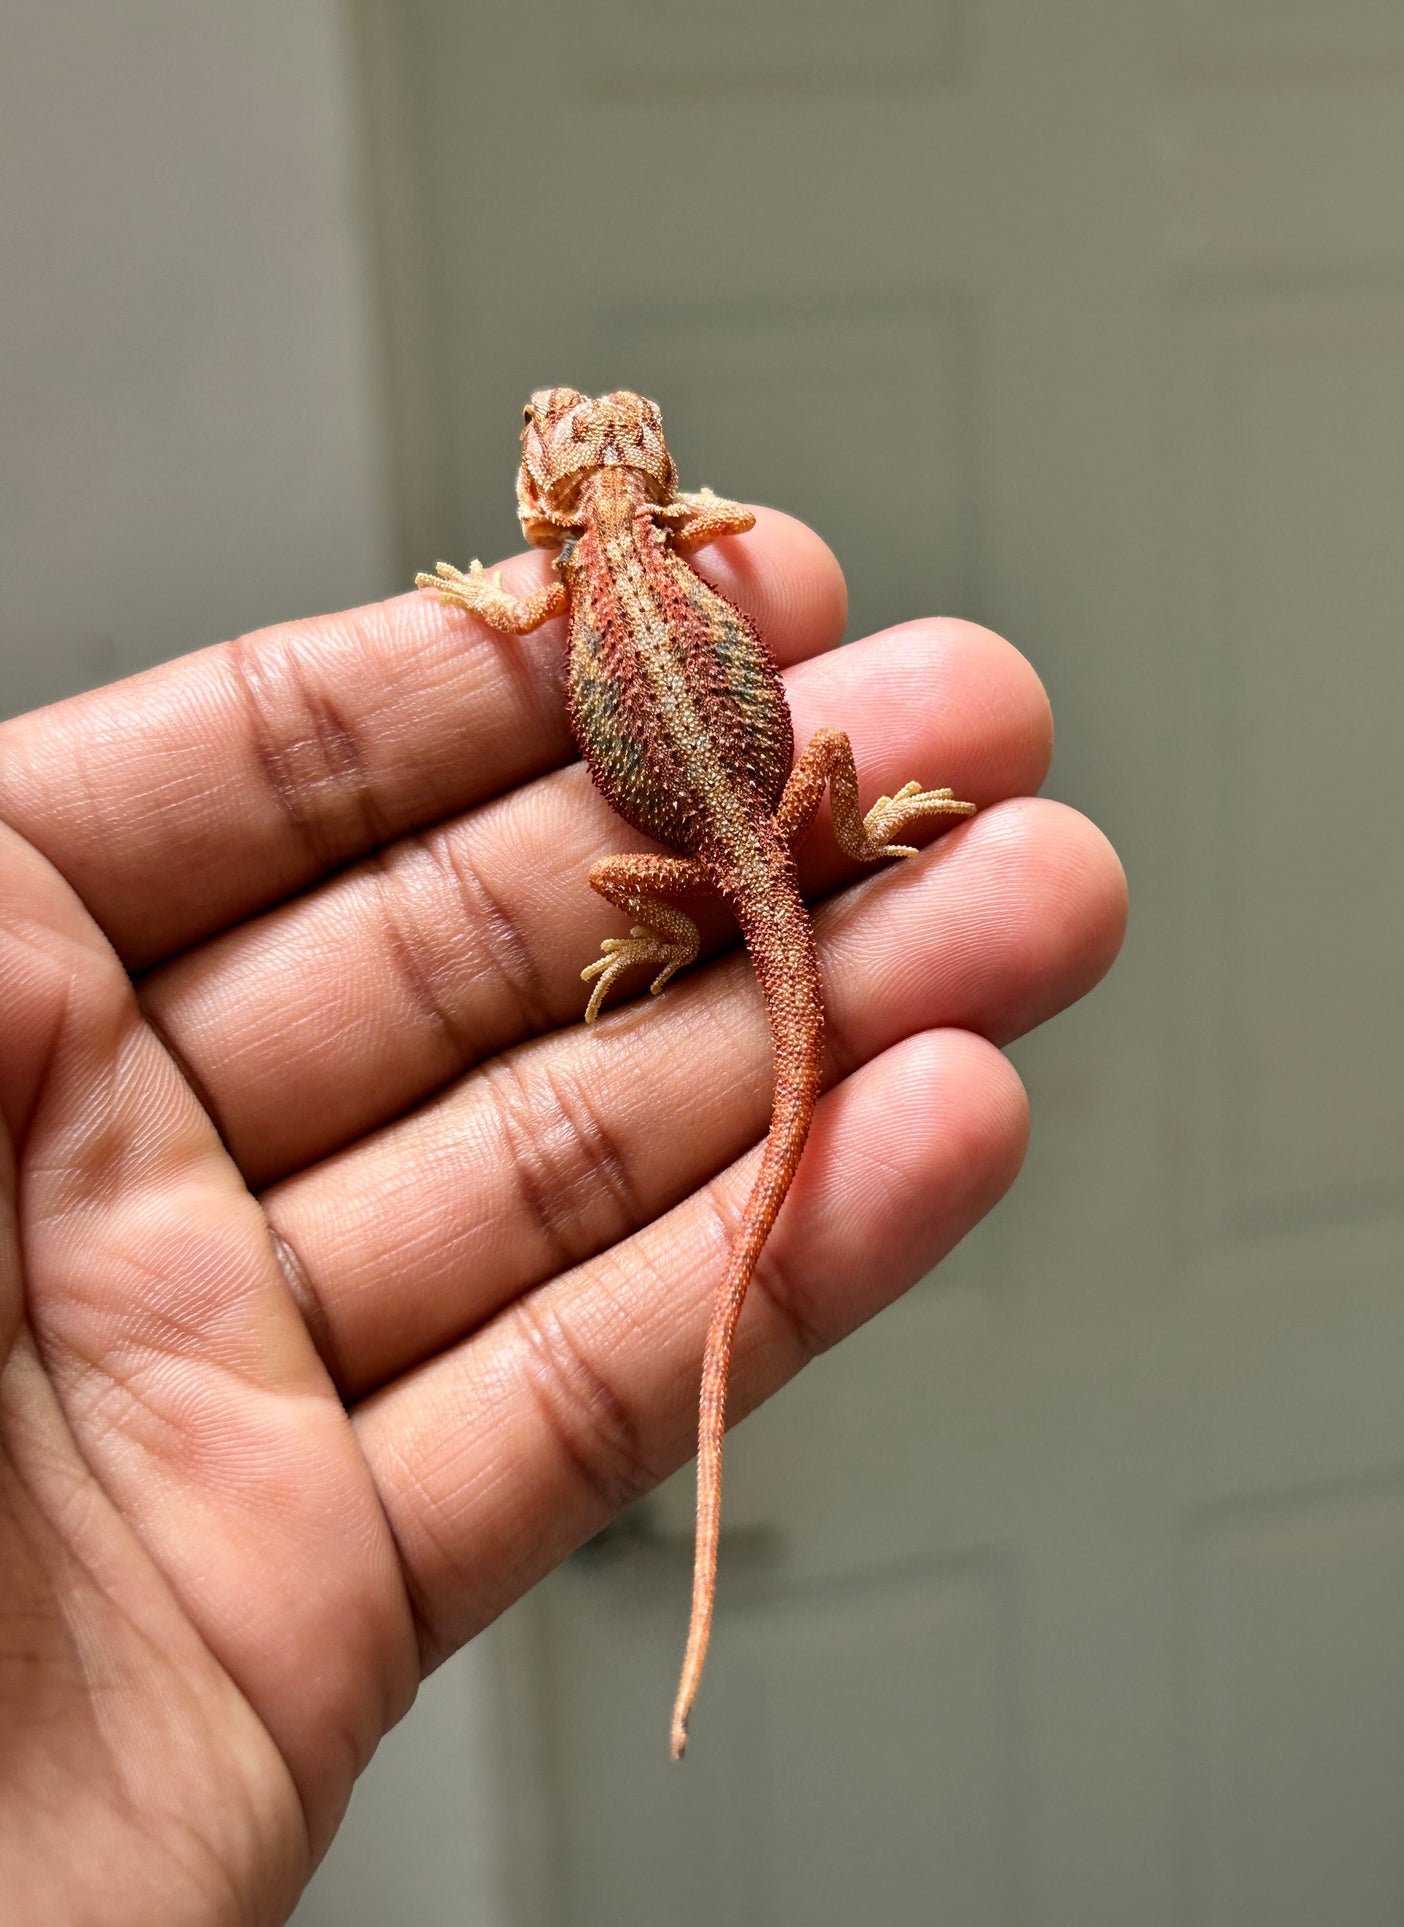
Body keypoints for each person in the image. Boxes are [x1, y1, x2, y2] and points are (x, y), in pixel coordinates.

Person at [0, 508, 1126, 1922]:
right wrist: (832, 839)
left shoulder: (567, 588)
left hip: (712, 864)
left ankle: (674, 925)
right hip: (781, 828)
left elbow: (523, 616)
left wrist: (508, 620)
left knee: (710, 965)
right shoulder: (676, 539)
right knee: (823, 798)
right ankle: (827, 846)